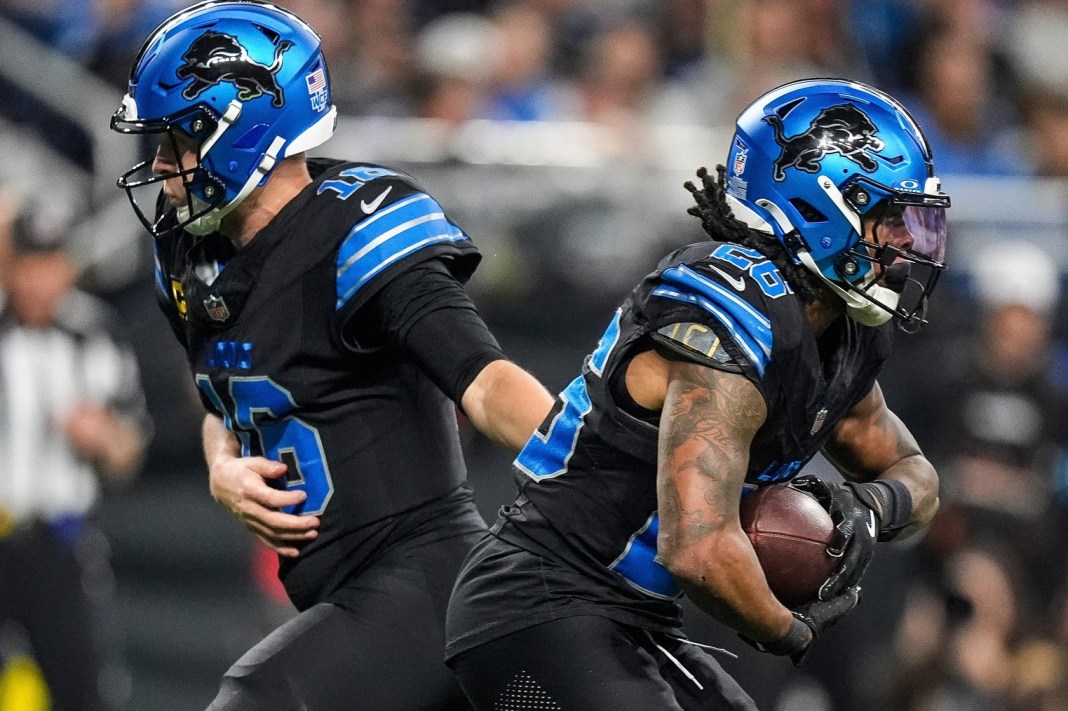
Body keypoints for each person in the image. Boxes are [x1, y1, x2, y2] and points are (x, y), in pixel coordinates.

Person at [445, 77, 950, 710]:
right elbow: (698, 550)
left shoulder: (838, 333)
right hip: (537, 603)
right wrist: (793, 629)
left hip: (632, 619)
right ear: (821, 209)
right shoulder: (731, 313)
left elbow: (916, 475)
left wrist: (872, 508)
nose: (907, 244)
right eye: (889, 221)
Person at [108, 2, 553, 709]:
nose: (160, 165)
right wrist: (223, 466)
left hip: (431, 587)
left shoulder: (354, 230)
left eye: (179, 140)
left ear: (247, 130)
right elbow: (227, 400)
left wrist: (604, 484)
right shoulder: (191, 254)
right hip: (346, 596)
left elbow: (487, 381)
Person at [0, 195, 150, 711]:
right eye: (29, 264)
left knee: (82, 691)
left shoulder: (95, 335)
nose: (42, 281)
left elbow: (129, 453)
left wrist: (105, 437)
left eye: (53, 263)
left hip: (60, 547)